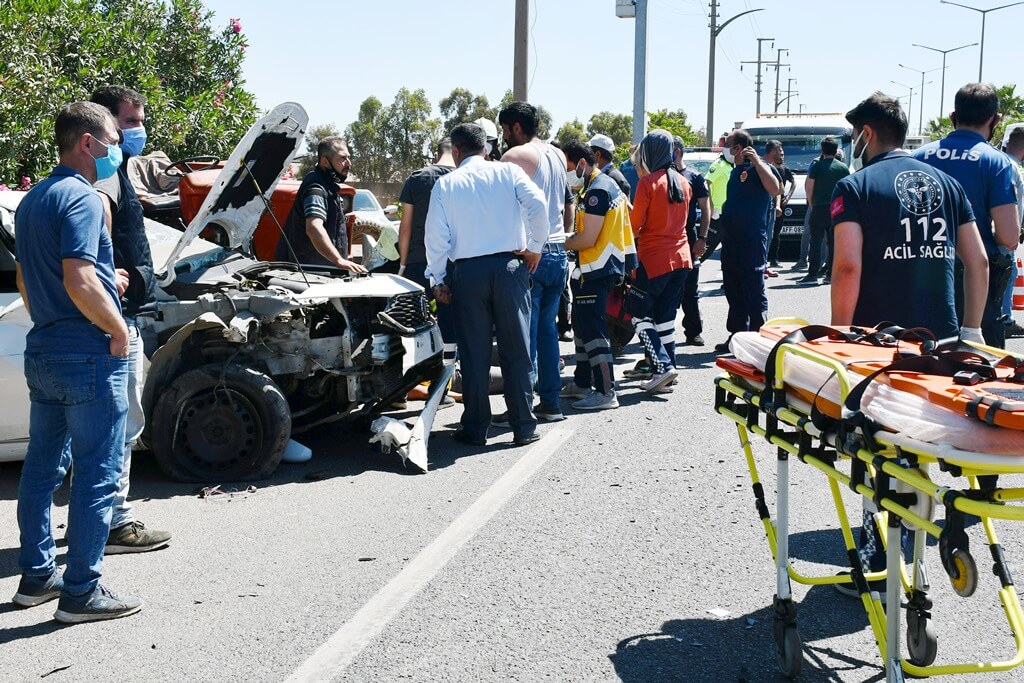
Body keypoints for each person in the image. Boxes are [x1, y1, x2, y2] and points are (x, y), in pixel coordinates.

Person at [831, 92, 988, 591]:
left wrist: (839, 339)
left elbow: (848, 265)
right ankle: (922, 543)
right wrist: (972, 329)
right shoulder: (948, 185)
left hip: (879, 345)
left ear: (867, 134)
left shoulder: (854, 187)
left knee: (875, 449)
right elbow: (978, 261)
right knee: (918, 446)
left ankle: (878, 563)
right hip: (939, 341)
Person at [13, 101, 143, 622]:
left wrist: (91, 293)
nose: (118, 146)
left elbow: (31, 278)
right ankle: (81, 593)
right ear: (87, 143)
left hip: (43, 347)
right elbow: (80, 279)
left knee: (40, 471)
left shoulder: (32, 200)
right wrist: (114, 329)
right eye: (113, 137)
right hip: (86, 352)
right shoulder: (85, 199)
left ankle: (36, 578)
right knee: (96, 474)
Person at [425, 123, 548, 446]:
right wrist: (535, 247)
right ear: (487, 148)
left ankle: (476, 428)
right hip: (510, 269)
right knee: (516, 350)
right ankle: (524, 426)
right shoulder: (508, 173)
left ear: (456, 151)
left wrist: (438, 278)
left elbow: (436, 238)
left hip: (467, 274)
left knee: (475, 354)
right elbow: (538, 205)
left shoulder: (446, 184)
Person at [88, 85, 171, 554]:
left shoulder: (114, 172)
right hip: (118, 319)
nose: (137, 132)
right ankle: (117, 523)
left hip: (123, 311)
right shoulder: (106, 178)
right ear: (104, 125)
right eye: (130, 123)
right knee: (119, 426)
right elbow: (96, 231)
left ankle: (97, 515)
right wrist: (110, 281)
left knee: (109, 427)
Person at [915, 83, 1022, 348]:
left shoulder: (919, 156)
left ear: (953, 116)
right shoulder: (996, 162)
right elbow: (1009, 237)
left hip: (919, 273)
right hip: (975, 285)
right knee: (979, 372)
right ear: (996, 120)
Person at [499, 102, 570, 421]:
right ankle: (551, 402)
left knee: (521, 335)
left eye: (504, 130)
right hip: (557, 252)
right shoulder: (555, 153)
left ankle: (521, 406)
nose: (503, 138)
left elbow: (498, 204)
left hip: (531, 253)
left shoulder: (517, 156)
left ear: (515, 127)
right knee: (547, 331)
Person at [558, 140, 637, 410]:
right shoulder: (592, 186)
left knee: (594, 331)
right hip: (589, 270)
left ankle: (606, 392)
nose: (567, 173)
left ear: (582, 162)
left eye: (568, 167)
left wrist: (555, 241)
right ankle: (582, 382)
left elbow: (587, 238)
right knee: (581, 326)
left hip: (598, 269)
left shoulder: (599, 190)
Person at [628, 129, 692, 392]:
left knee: (637, 313)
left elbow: (634, 226)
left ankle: (663, 367)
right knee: (665, 319)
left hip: (653, 260)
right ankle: (668, 371)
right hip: (682, 258)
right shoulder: (683, 182)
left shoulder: (647, 183)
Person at [714, 130, 780, 353]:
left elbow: (775, 188)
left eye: (729, 145)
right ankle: (737, 335)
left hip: (751, 241)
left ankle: (760, 338)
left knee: (753, 289)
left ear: (740, 148)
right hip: (731, 241)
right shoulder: (736, 171)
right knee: (733, 289)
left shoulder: (760, 168)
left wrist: (758, 161)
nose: (726, 149)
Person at [398, 137, 457, 364]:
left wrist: (402, 265)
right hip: (452, 261)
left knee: (413, 322)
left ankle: (413, 378)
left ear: (436, 154)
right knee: (449, 321)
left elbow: (406, 227)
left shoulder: (417, 178)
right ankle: (445, 382)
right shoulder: (463, 178)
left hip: (417, 261)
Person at [275, 136, 366, 273]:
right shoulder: (316, 188)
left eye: (348, 157)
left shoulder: (327, 185)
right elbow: (313, 227)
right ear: (325, 161)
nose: (348, 163)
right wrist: (338, 260)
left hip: (324, 273)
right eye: (342, 158)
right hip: (313, 275)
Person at [673, 136, 710, 346]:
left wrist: (703, 238)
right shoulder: (660, 176)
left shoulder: (694, 177)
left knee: (690, 290)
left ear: (677, 151)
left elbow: (706, 208)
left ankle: (693, 331)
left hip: (689, 240)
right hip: (667, 242)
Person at [801, 136, 850, 284]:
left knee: (815, 241)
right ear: (836, 151)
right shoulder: (843, 168)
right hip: (836, 209)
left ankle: (812, 275)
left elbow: (809, 187)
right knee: (833, 242)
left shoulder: (817, 165)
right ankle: (830, 274)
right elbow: (846, 190)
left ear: (822, 150)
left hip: (819, 207)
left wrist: (811, 204)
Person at [1001, 126, 1024, 338]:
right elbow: (1013, 203)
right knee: (1008, 275)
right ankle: (1004, 320)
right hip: (1004, 234)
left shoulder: (1000, 161)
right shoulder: (1013, 167)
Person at [701, 145, 735, 262]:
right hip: (716, 213)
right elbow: (707, 183)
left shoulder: (731, 166)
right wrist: (710, 206)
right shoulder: (718, 164)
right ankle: (688, 274)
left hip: (726, 213)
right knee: (706, 248)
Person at [766, 140, 795, 268]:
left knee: (776, 233)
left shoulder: (784, 169)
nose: (781, 157)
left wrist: (788, 196)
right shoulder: (767, 168)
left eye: (783, 155)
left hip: (779, 206)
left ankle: (773, 258)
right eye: (780, 154)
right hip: (768, 204)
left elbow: (792, 183)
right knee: (766, 233)